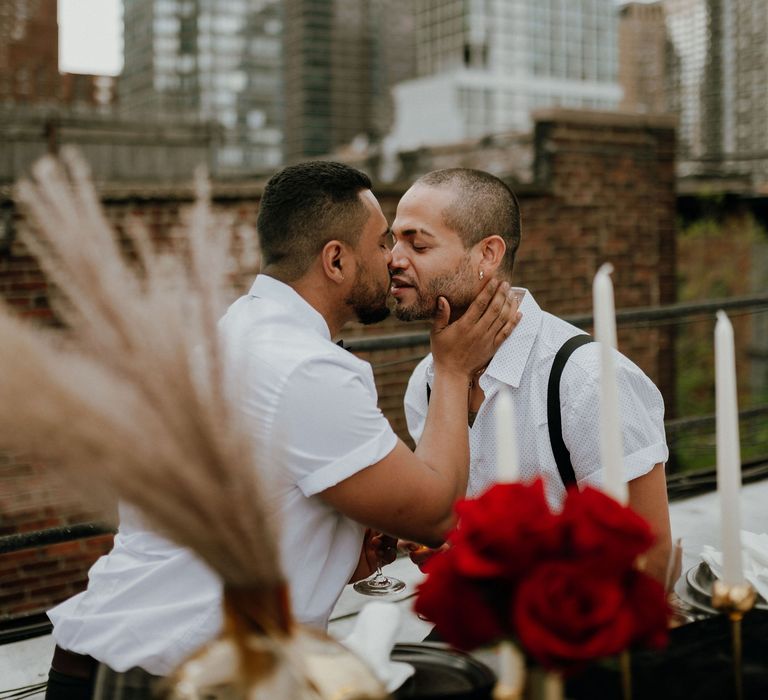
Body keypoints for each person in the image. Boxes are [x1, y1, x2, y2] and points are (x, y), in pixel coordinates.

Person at [45, 162, 519, 699]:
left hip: (109, 663)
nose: (393, 258)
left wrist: (335, 544)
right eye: (382, 240)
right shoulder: (302, 367)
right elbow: (437, 512)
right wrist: (453, 369)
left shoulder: (232, 336)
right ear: (336, 260)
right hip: (167, 680)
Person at [391, 168, 673, 583]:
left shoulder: (587, 382)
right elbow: (449, 524)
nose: (393, 259)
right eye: (392, 241)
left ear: (488, 253)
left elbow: (652, 559)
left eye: (417, 244)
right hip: (472, 628)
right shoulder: (427, 381)